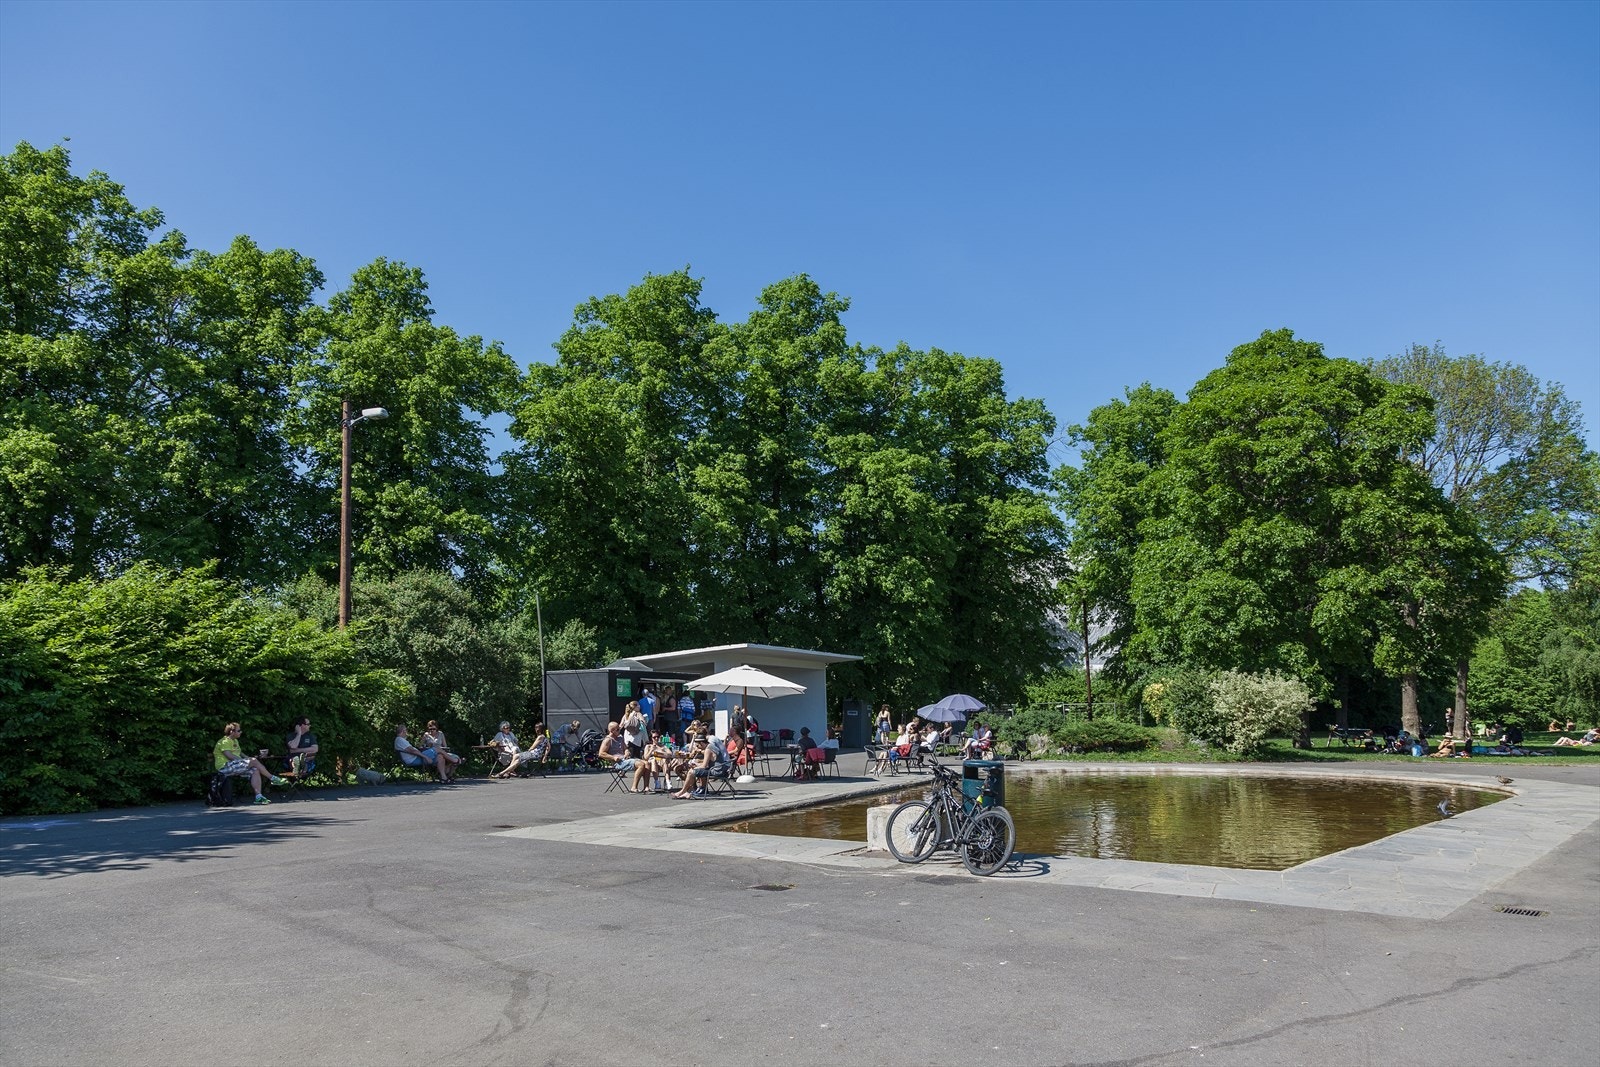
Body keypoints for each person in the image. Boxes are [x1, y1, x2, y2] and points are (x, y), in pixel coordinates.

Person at [213, 722, 288, 805]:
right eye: (239, 730)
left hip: (234, 765)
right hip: (225, 767)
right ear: (231, 732)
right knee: (253, 761)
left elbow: (240, 753)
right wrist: (247, 760)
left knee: (255, 770)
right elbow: (229, 755)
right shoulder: (224, 741)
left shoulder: (235, 741)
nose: (241, 732)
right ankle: (273, 778)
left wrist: (248, 758)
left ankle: (258, 797)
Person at [674, 734, 730, 798]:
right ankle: (698, 789)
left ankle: (683, 791)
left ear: (702, 743)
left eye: (698, 745)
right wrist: (697, 766)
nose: (698, 748)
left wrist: (695, 767)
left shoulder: (708, 750)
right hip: (720, 769)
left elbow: (704, 766)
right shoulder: (711, 746)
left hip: (716, 771)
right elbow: (707, 765)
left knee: (691, 772)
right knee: (697, 770)